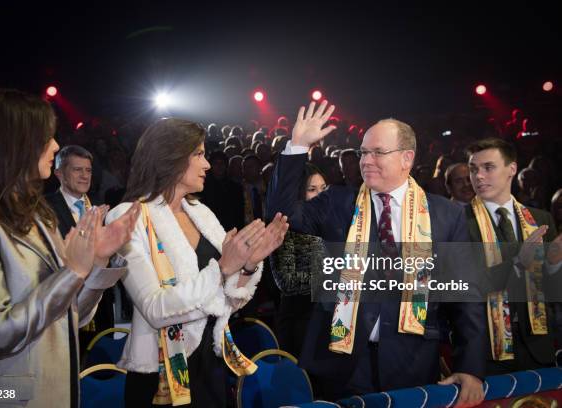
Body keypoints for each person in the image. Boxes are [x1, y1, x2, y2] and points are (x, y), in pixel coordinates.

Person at [266, 101, 486, 406]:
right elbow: (281, 214)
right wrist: (297, 146)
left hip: (412, 363)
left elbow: (466, 296)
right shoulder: (338, 203)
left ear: (407, 158)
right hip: (342, 364)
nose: (366, 161)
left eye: (378, 152)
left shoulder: (445, 215)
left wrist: (470, 368)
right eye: (363, 153)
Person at [0, 89, 141, 407]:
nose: (55, 146)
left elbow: (71, 315)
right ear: (13, 143)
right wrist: (73, 270)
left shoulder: (39, 213)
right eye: (46, 137)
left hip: (54, 390)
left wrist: (96, 262)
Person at [106, 118, 288, 407]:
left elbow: (227, 300)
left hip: (211, 362)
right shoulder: (127, 217)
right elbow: (155, 309)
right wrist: (224, 268)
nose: (207, 164)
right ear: (171, 157)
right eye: (199, 154)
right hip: (161, 368)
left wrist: (249, 265)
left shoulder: (201, 212)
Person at [465, 138, 562, 375]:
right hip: (486, 351)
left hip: (538, 347)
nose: (478, 176)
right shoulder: (457, 221)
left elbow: (554, 293)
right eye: (473, 169)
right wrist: (518, 263)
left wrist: (554, 265)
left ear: (512, 169)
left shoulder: (540, 219)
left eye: (488, 167)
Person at [45, 144, 115, 359]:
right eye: (77, 170)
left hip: (101, 304)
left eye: (88, 170)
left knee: (101, 371)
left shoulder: (99, 208)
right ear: (59, 173)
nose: (85, 176)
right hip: (65, 307)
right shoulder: (45, 208)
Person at [269, 163, 327, 358]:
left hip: (328, 321)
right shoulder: (285, 226)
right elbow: (286, 282)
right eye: (312, 190)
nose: (320, 195)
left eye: (323, 189)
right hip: (300, 322)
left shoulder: (332, 220)